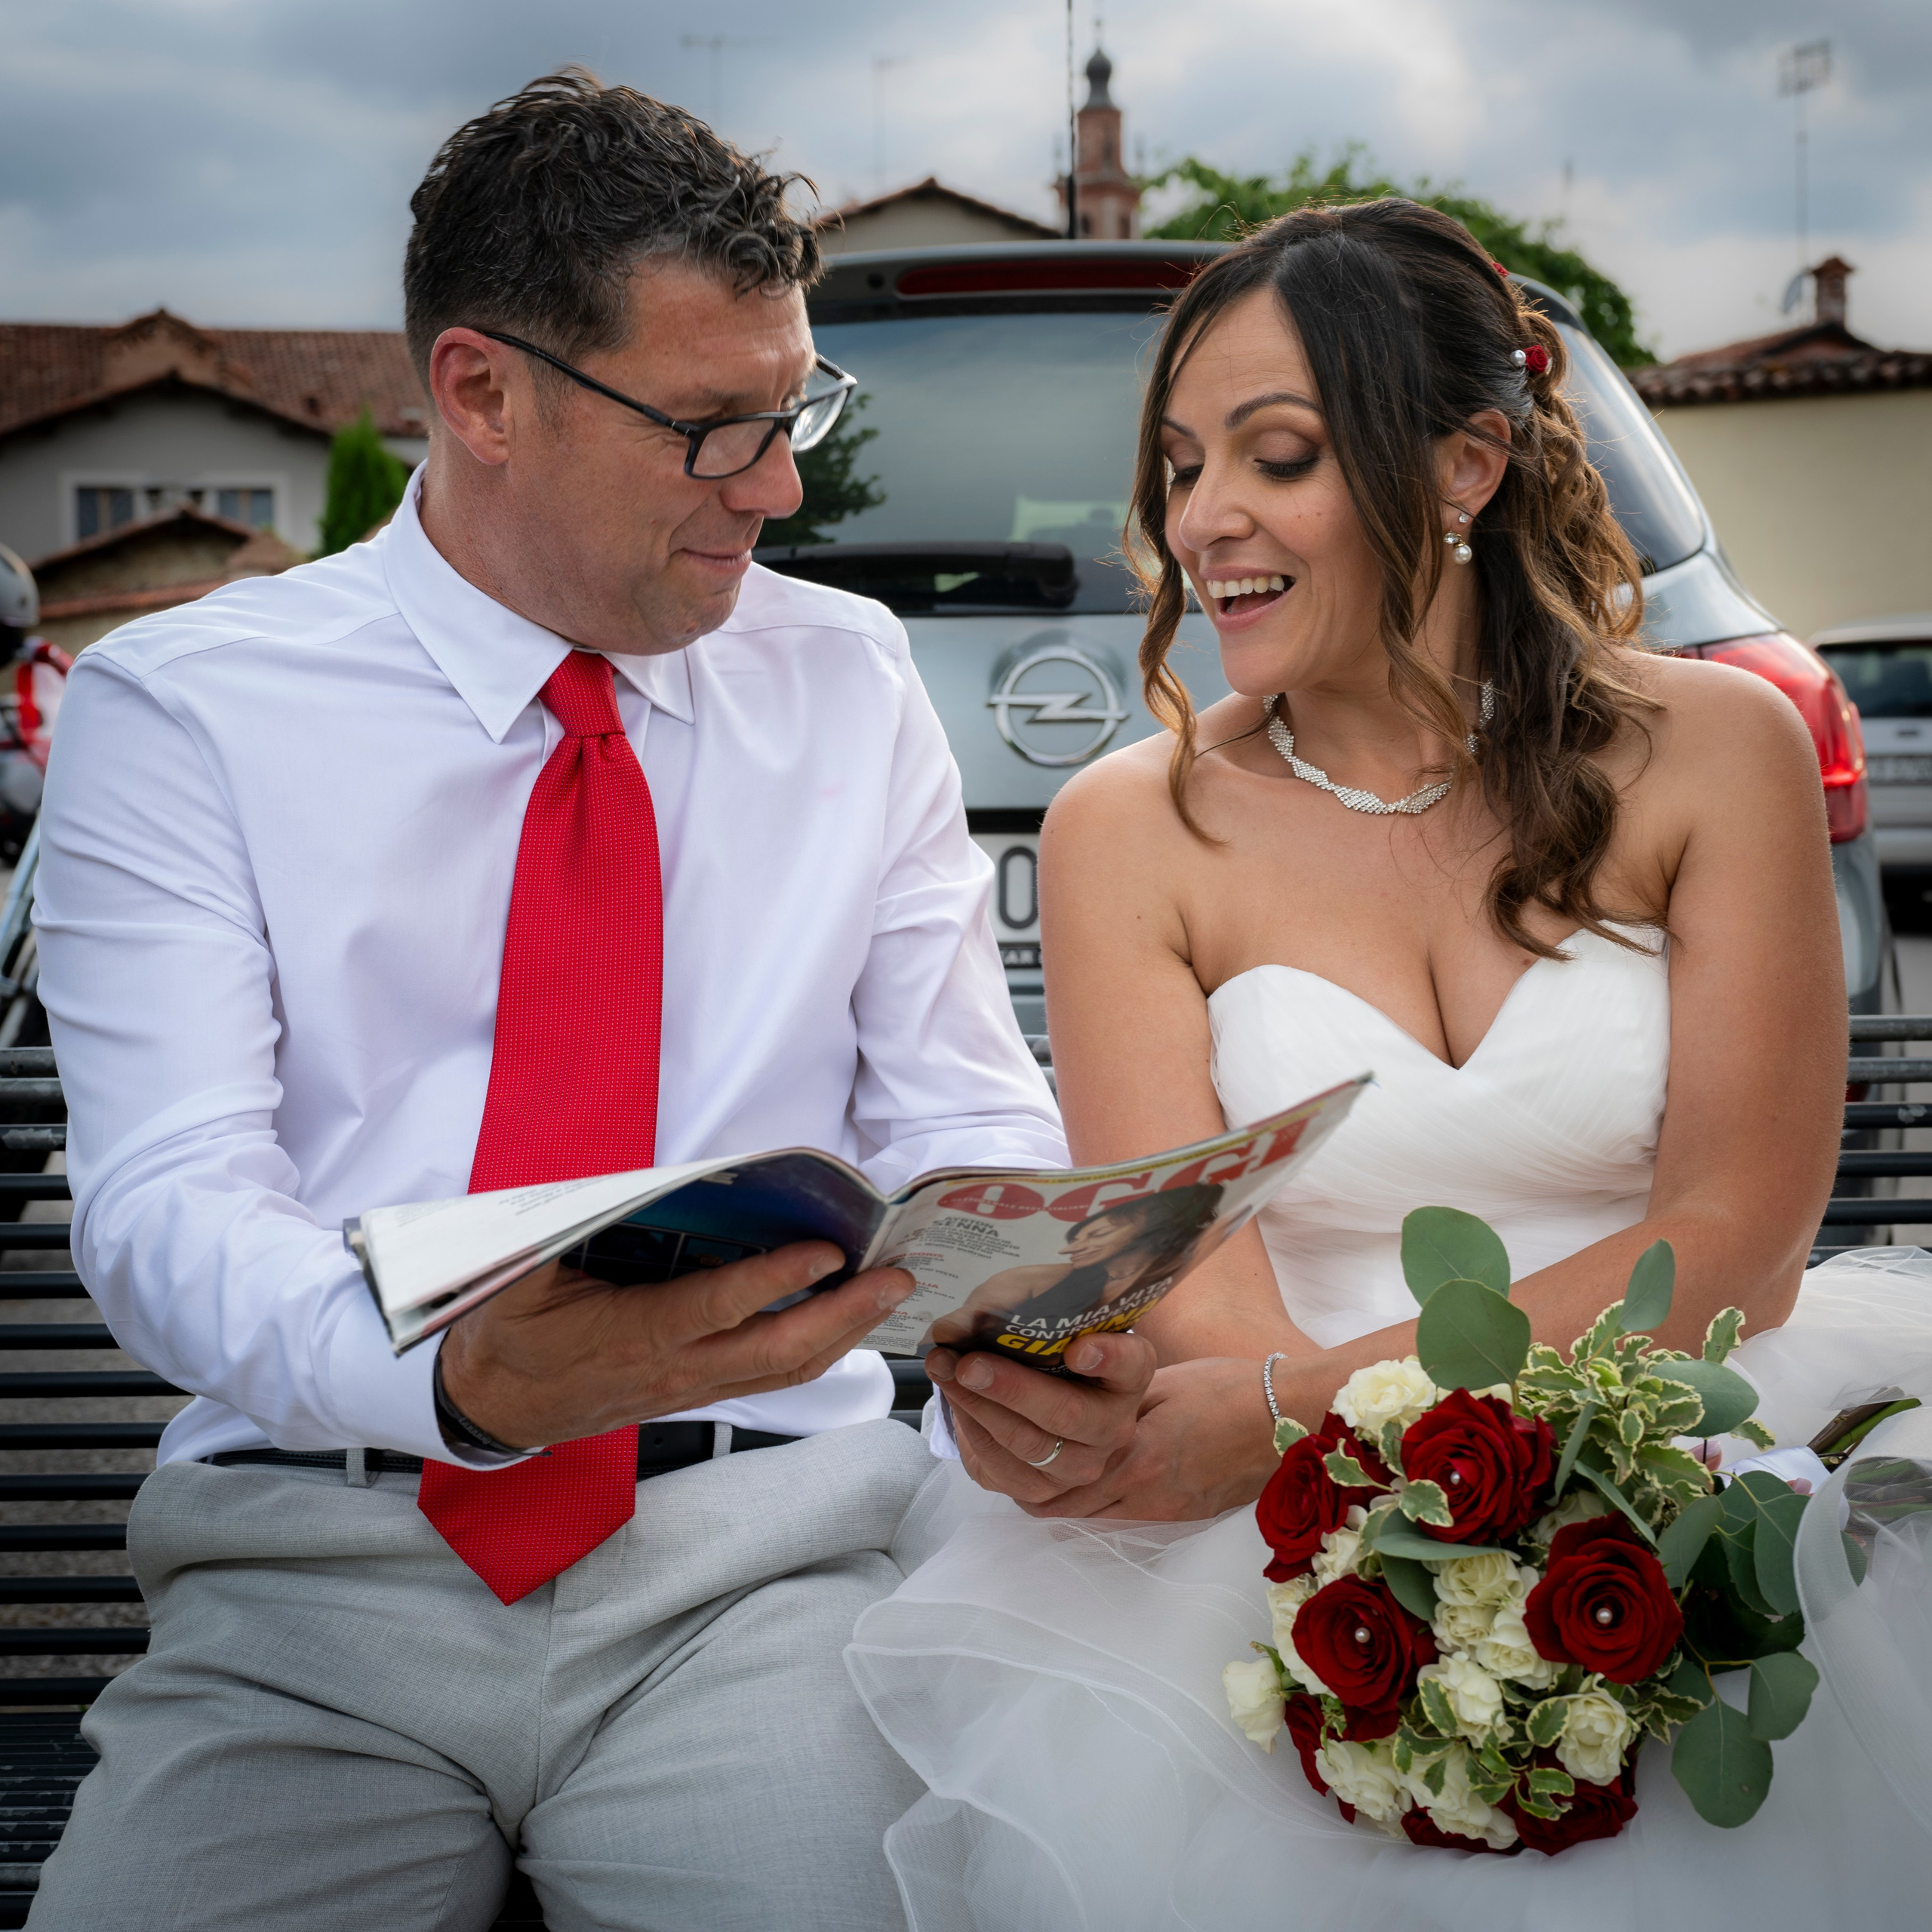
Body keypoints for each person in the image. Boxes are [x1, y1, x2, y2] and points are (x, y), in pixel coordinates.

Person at [26, 73, 1084, 1932]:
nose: (779, 486)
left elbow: (961, 1107)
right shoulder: (184, 709)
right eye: (711, 430)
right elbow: (166, 1197)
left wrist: (1048, 1280)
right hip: (310, 1573)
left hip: (765, 1560)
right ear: (480, 393)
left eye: (794, 412)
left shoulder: (848, 679)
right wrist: (458, 1378)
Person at [849, 200, 1932, 1925]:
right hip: (1262, 1511)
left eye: (1270, 458)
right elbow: (1201, 1291)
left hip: (1693, 1425)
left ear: (1463, 467)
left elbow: (1736, 1235)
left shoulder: (1710, 748)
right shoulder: (1128, 823)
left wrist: (1335, 1427)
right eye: (1179, 464)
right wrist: (1368, 1512)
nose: (1198, 521)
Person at [928, 1183, 1223, 1354]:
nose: (1069, 1249)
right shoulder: (1033, 1278)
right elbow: (955, 1324)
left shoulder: (1187, 1264)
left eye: (1097, 1235)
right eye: (1076, 1238)